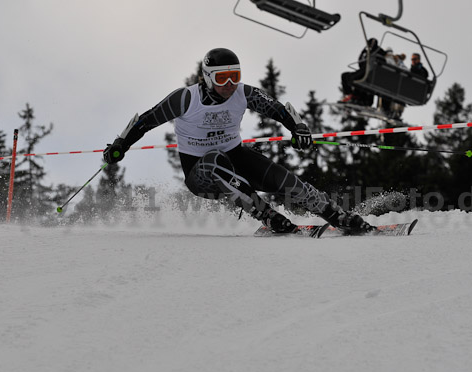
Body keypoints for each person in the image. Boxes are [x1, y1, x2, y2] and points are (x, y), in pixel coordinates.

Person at [103, 48, 373, 235]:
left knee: (287, 181)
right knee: (216, 163)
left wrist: (299, 128)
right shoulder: (186, 99)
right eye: (222, 77)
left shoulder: (243, 94)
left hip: (236, 156)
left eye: (235, 76)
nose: (230, 83)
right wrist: (120, 145)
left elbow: (278, 109)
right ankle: (269, 217)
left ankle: (339, 217)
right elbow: (148, 120)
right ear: (208, 77)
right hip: (201, 174)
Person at [340, 38, 385, 106]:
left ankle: (357, 97)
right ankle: (351, 95)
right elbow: (360, 61)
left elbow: (383, 59)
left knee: (357, 78)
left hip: (370, 72)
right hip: (364, 71)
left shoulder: (378, 51)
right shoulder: (366, 51)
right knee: (345, 76)